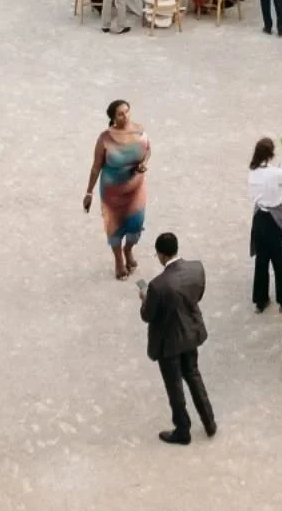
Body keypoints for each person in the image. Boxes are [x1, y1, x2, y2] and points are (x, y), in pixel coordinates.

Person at [139, 231, 215, 445]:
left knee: (174, 386)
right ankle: (209, 421)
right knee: (193, 376)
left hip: (169, 342)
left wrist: (145, 300)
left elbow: (148, 316)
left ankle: (183, 429)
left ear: (161, 255)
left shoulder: (157, 286)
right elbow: (197, 296)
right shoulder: (196, 268)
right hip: (190, 333)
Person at [83, 99, 149, 279]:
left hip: (136, 188)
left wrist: (143, 163)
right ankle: (119, 260)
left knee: (136, 226)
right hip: (113, 191)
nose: (125, 116)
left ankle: (128, 250)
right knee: (115, 227)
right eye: (120, 113)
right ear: (112, 117)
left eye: (127, 111)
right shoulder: (105, 138)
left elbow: (147, 149)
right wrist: (89, 192)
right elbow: (96, 166)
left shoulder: (139, 130)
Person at [248, 137, 282, 311]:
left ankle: (260, 300)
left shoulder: (253, 172)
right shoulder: (276, 173)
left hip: (259, 218)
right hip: (274, 220)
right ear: (270, 154)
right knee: (280, 260)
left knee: (261, 261)